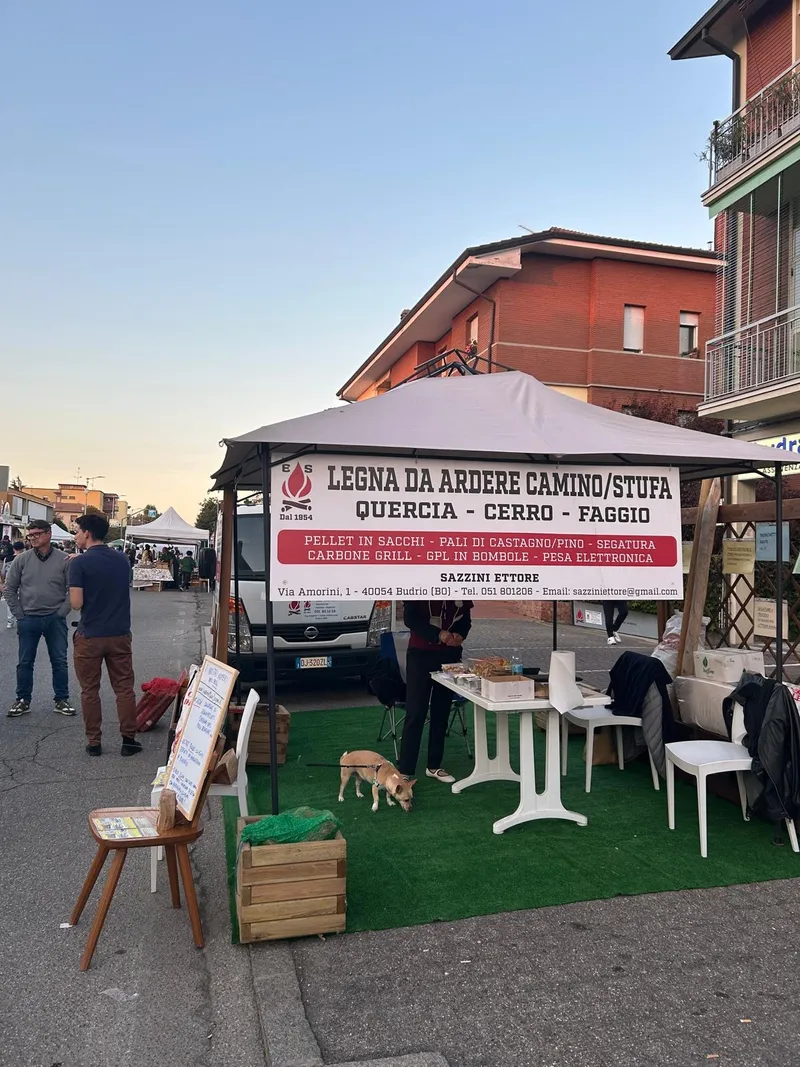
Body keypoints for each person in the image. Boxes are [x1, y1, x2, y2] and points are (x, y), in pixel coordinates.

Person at [68, 512, 141, 757]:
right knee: (124, 688)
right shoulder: (122, 559)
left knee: (90, 690)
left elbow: (76, 603)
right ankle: (129, 740)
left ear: (87, 533)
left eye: (77, 531)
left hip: (90, 634)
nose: (75, 536)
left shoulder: (79, 564)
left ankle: (94, 742)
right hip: (119, 633)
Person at [4, 519, 75, 718]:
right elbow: (9, 589)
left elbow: (73, 589)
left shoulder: (64, 560)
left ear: (48, 534)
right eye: (30, 535)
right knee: (25, 662)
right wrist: (19, 614)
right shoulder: (21, 560)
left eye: (37, 534)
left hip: (55, 618)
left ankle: (61, 699)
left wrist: (62, 612)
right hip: (28, 618)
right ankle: (22, 700)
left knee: (59, 661)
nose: (32, 538)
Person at [397, 599, 473, 784]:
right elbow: (411, 619)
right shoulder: (418, 588)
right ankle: (405, 769)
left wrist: (460, 635)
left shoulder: (460, 590)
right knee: (416, 712)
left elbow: (465, 620)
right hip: (420, 655)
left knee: (442, 710)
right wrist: (438, 634)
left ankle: (434, 766)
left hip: (449, 656)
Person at [2, 541, 25, 628]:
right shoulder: (24, 558)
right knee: (23, 600)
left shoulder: (7, 559)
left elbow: (3, 572)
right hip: (22, 582)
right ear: (23, 549)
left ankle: (10, 621)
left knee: (11, 601)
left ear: (14, 548)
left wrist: (3, 582)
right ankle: (20, 618)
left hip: (9, 582)